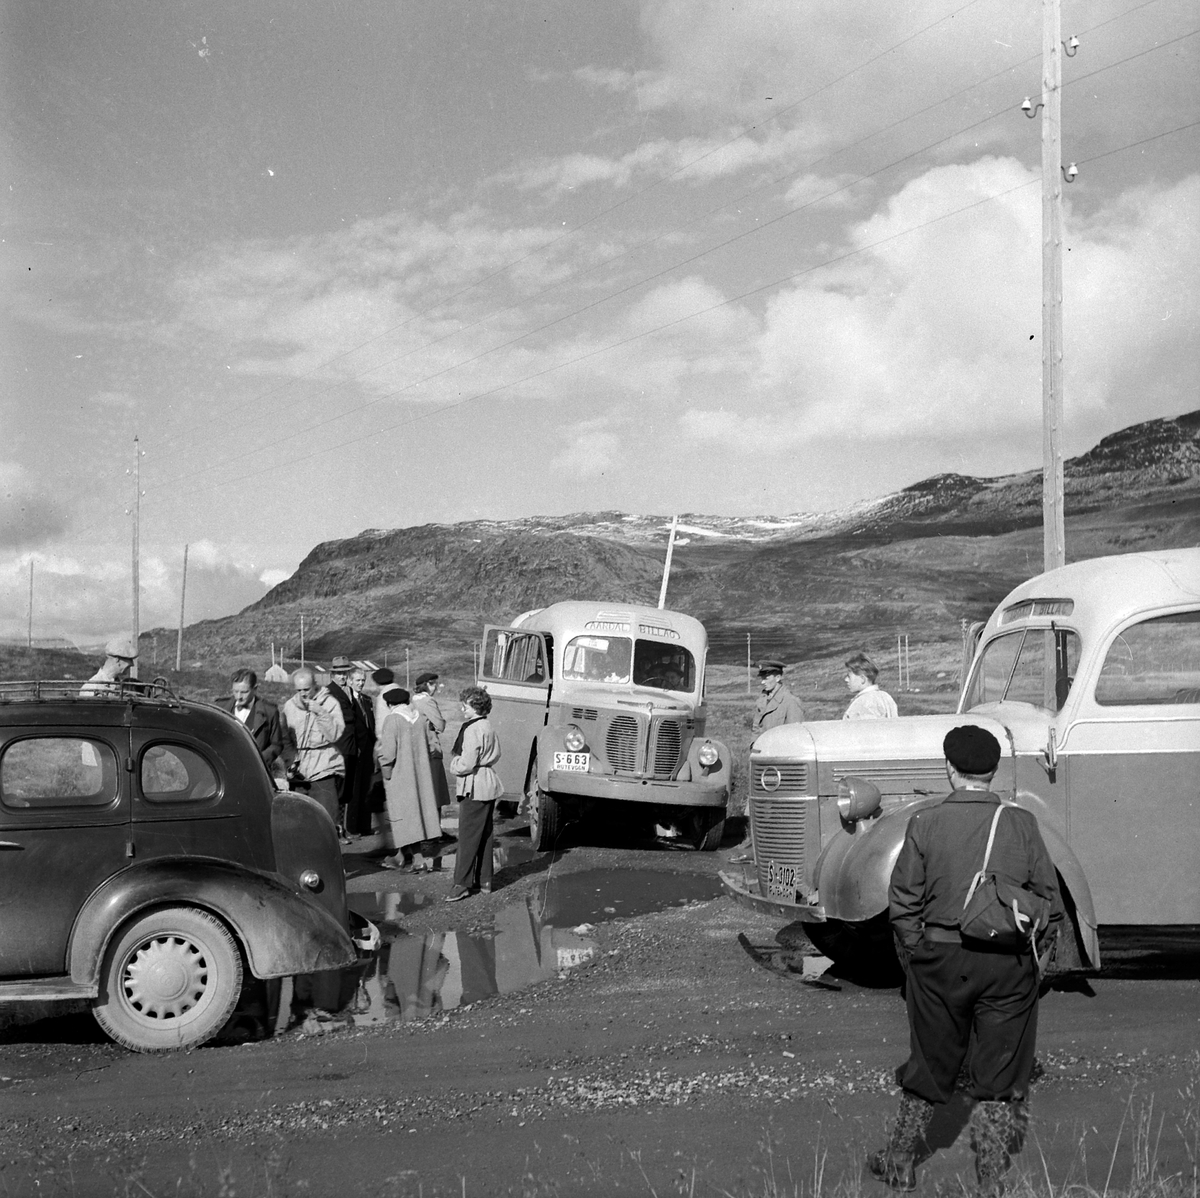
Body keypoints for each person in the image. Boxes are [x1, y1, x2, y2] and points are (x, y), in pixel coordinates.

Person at [871, 725, 1060, 1195]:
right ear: (994, 771)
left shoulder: (925, 823)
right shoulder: (1022, 823)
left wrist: (918, 953)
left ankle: (900, 1163)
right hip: (1007, 963)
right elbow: (1048, 903)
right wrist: (1033, 963)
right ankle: (990, 1180)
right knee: (1000, 1072)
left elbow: (903, 902)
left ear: (950, 769)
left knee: (928, 1062)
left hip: (940, 959)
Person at [375, 687, 444, 872]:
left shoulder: (392, 720)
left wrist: (385, 771)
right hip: (421, 775)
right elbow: (431, 746)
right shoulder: (420, 719)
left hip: (400, 775)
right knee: (415, 814)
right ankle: (400, 857)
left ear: (390, 704)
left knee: (405, 816)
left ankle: (418, 860)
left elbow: (388, 753)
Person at [445, 685, 502, 902]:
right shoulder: (488, 725)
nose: (463, 709)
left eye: (466, 706)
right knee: (484, 834)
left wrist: (454, 764)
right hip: (488, 783)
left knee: (468, 837)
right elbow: (497, 753)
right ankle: (484, 880)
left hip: (474, 786)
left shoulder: (471, 729)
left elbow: (467, 764)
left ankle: (462, 884)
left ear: (476, 707)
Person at [281, 667, 345, 825]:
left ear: (315, 685)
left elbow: (334, 735)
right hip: (299, 771)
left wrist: (320, 712)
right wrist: (291, 760)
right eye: (299, 690)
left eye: (306, 689)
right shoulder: (289, 706)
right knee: (301, 821)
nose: (303, 694)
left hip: (324, 767)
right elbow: (285, 737)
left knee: (327, 818)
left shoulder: (330, 703)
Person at [327, 656, 370, 840]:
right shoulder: (329, 692)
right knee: (338, 792)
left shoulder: (347, 692)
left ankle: (343, 829)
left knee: (346, 791)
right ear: (332, 675)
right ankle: (336, 831)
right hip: (339, 748)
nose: (342, 676)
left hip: (350, 747)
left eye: (345, 673)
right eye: (339, 673)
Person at [217, 668, 285, 775]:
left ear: (255, 689)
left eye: (244, 692)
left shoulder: (270, 712)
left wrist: (259, 761)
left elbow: (276, 744)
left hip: (256, 773)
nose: (239, 697)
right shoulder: (220, 708)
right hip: (225, 771)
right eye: (235, 691)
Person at [411, 672, 452, 814]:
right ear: (425, 685)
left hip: (418, 748)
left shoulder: (412, 700)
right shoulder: (428, 701)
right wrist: (434, 725)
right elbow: (440, 725)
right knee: (435, 792)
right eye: (432, 684)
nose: (435, 687)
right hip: (431, 749)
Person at [344, 667, 376, 836]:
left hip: (368, 748)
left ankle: (365, 825)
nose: (361, 683)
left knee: (366, 787)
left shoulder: (367, 700)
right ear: (350, 681)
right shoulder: (348, 701)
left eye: (363, 680)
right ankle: (352, 827)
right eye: (357, 680)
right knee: (355, 789)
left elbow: (371, 724)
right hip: (355, 749)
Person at [752, 660, 805, 733]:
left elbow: (795, 733)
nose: (762, 682)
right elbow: (756, 728)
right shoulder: (763, 699)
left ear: (777, 678)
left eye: (766, 678)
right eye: (762, 678)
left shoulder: (791, 701)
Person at [843, 652, 899, 720]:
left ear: (862, 679)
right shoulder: (886, 697)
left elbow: (869, 725)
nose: (846, 679)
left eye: (849, 676)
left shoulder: (864, 702)